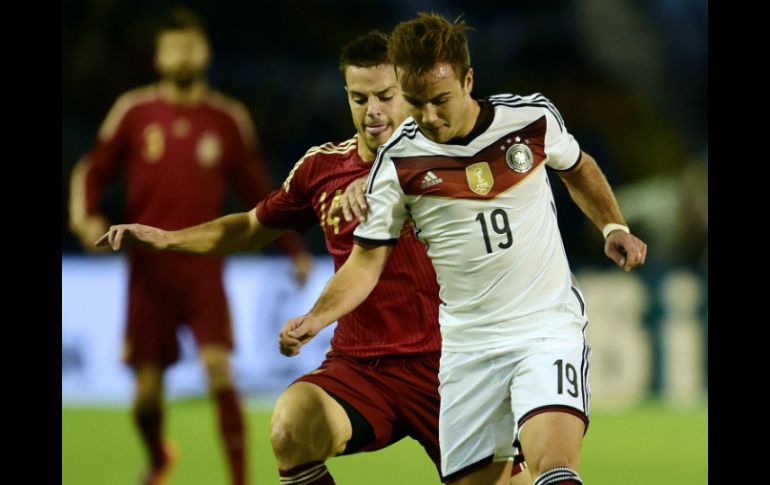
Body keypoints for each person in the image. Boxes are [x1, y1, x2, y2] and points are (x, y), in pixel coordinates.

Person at [96, 30, 532, 485]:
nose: (373, 112)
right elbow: (249, 228)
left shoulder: (453, 155)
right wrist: (170, 239)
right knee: (292, 426)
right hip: (362, 369)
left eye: (385, 95)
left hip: (453, 368)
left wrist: (387, 179)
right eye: (359, 98)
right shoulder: (321, 169)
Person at [279, 13, 648, 485]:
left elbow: (577, 167)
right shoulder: (397, 163)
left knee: (554, 466)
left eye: (440, 100)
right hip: (466, 350)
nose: (428, 117)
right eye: (415, 104)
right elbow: (367, 262)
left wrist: (612, 225)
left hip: (544, 328)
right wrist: (317, 318)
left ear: (468, 79)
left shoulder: (530, 119)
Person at [68, 8, 312, 485]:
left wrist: (294, 251)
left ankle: (239, 480)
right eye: (172, 47)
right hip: (147, 271)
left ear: (206, 53)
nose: (182, 55)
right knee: (145, 397)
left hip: (203, 266)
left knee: (220, 371)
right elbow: (91, 171)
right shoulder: (134, 111)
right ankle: (159, 456)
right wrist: (87, 219)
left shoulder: (225, 118)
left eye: (190, 46)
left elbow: (263, 194)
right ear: (158, 57)